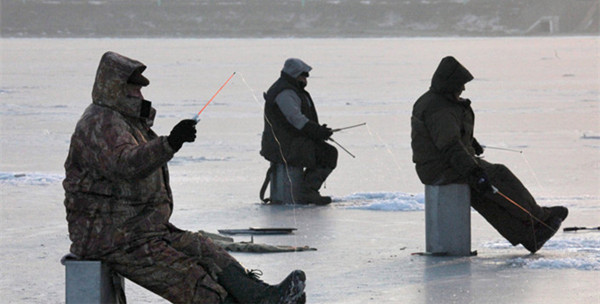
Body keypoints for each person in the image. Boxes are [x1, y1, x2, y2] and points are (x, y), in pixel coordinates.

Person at [63, 51, 306, 304]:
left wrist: (169, 142)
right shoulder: (100, 123)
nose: (140, 96)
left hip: (142, 229)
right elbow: (126, 164)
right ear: (115, 88)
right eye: (134, 90)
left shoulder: (126, 121)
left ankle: (264, 298)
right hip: (112, 237)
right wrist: (171, 142)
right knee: (191, 279)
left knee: (206, 250)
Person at [410, 56, 569, 253]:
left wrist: (470, 142)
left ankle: (528, 234)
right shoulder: (440, 107)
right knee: (497, 175)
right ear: (450, 83)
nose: (463, 89)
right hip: (441, 167)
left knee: (482, 193)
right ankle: (539, 217)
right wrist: (474, 171)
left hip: (438, 165)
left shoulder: (439, 101)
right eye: (461, 84)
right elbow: (449, 144)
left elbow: (446, 135)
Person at [260, 58, 338, 205]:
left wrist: (319, 131)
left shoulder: (289, 89)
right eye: (304, 75)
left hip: (286, 142)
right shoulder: (285, 92)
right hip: (284, 145)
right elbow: (296, 119)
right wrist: (317, 131)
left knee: (324, 151)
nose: (306, 78)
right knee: (328, 154)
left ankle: (307, 190)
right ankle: (307, 192)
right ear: (296, 75)